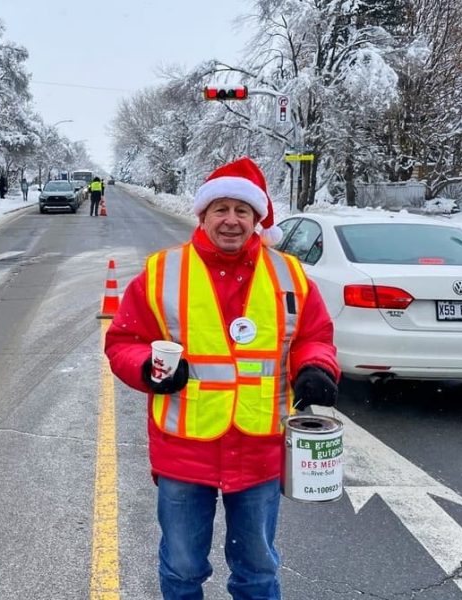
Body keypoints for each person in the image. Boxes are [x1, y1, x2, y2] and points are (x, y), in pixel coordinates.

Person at [104, 156, 340, 599]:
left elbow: (315, 336)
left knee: (256, 570)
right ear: (203, 214)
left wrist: (315, 367)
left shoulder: (289, 274)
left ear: (257, 219)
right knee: (182, 568)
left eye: (242, 211)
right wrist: (146, 368)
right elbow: (124, 340)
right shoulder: (162, 272)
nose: (231, 221)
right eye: (221, 209)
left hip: (259, 451)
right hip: (183, 452)